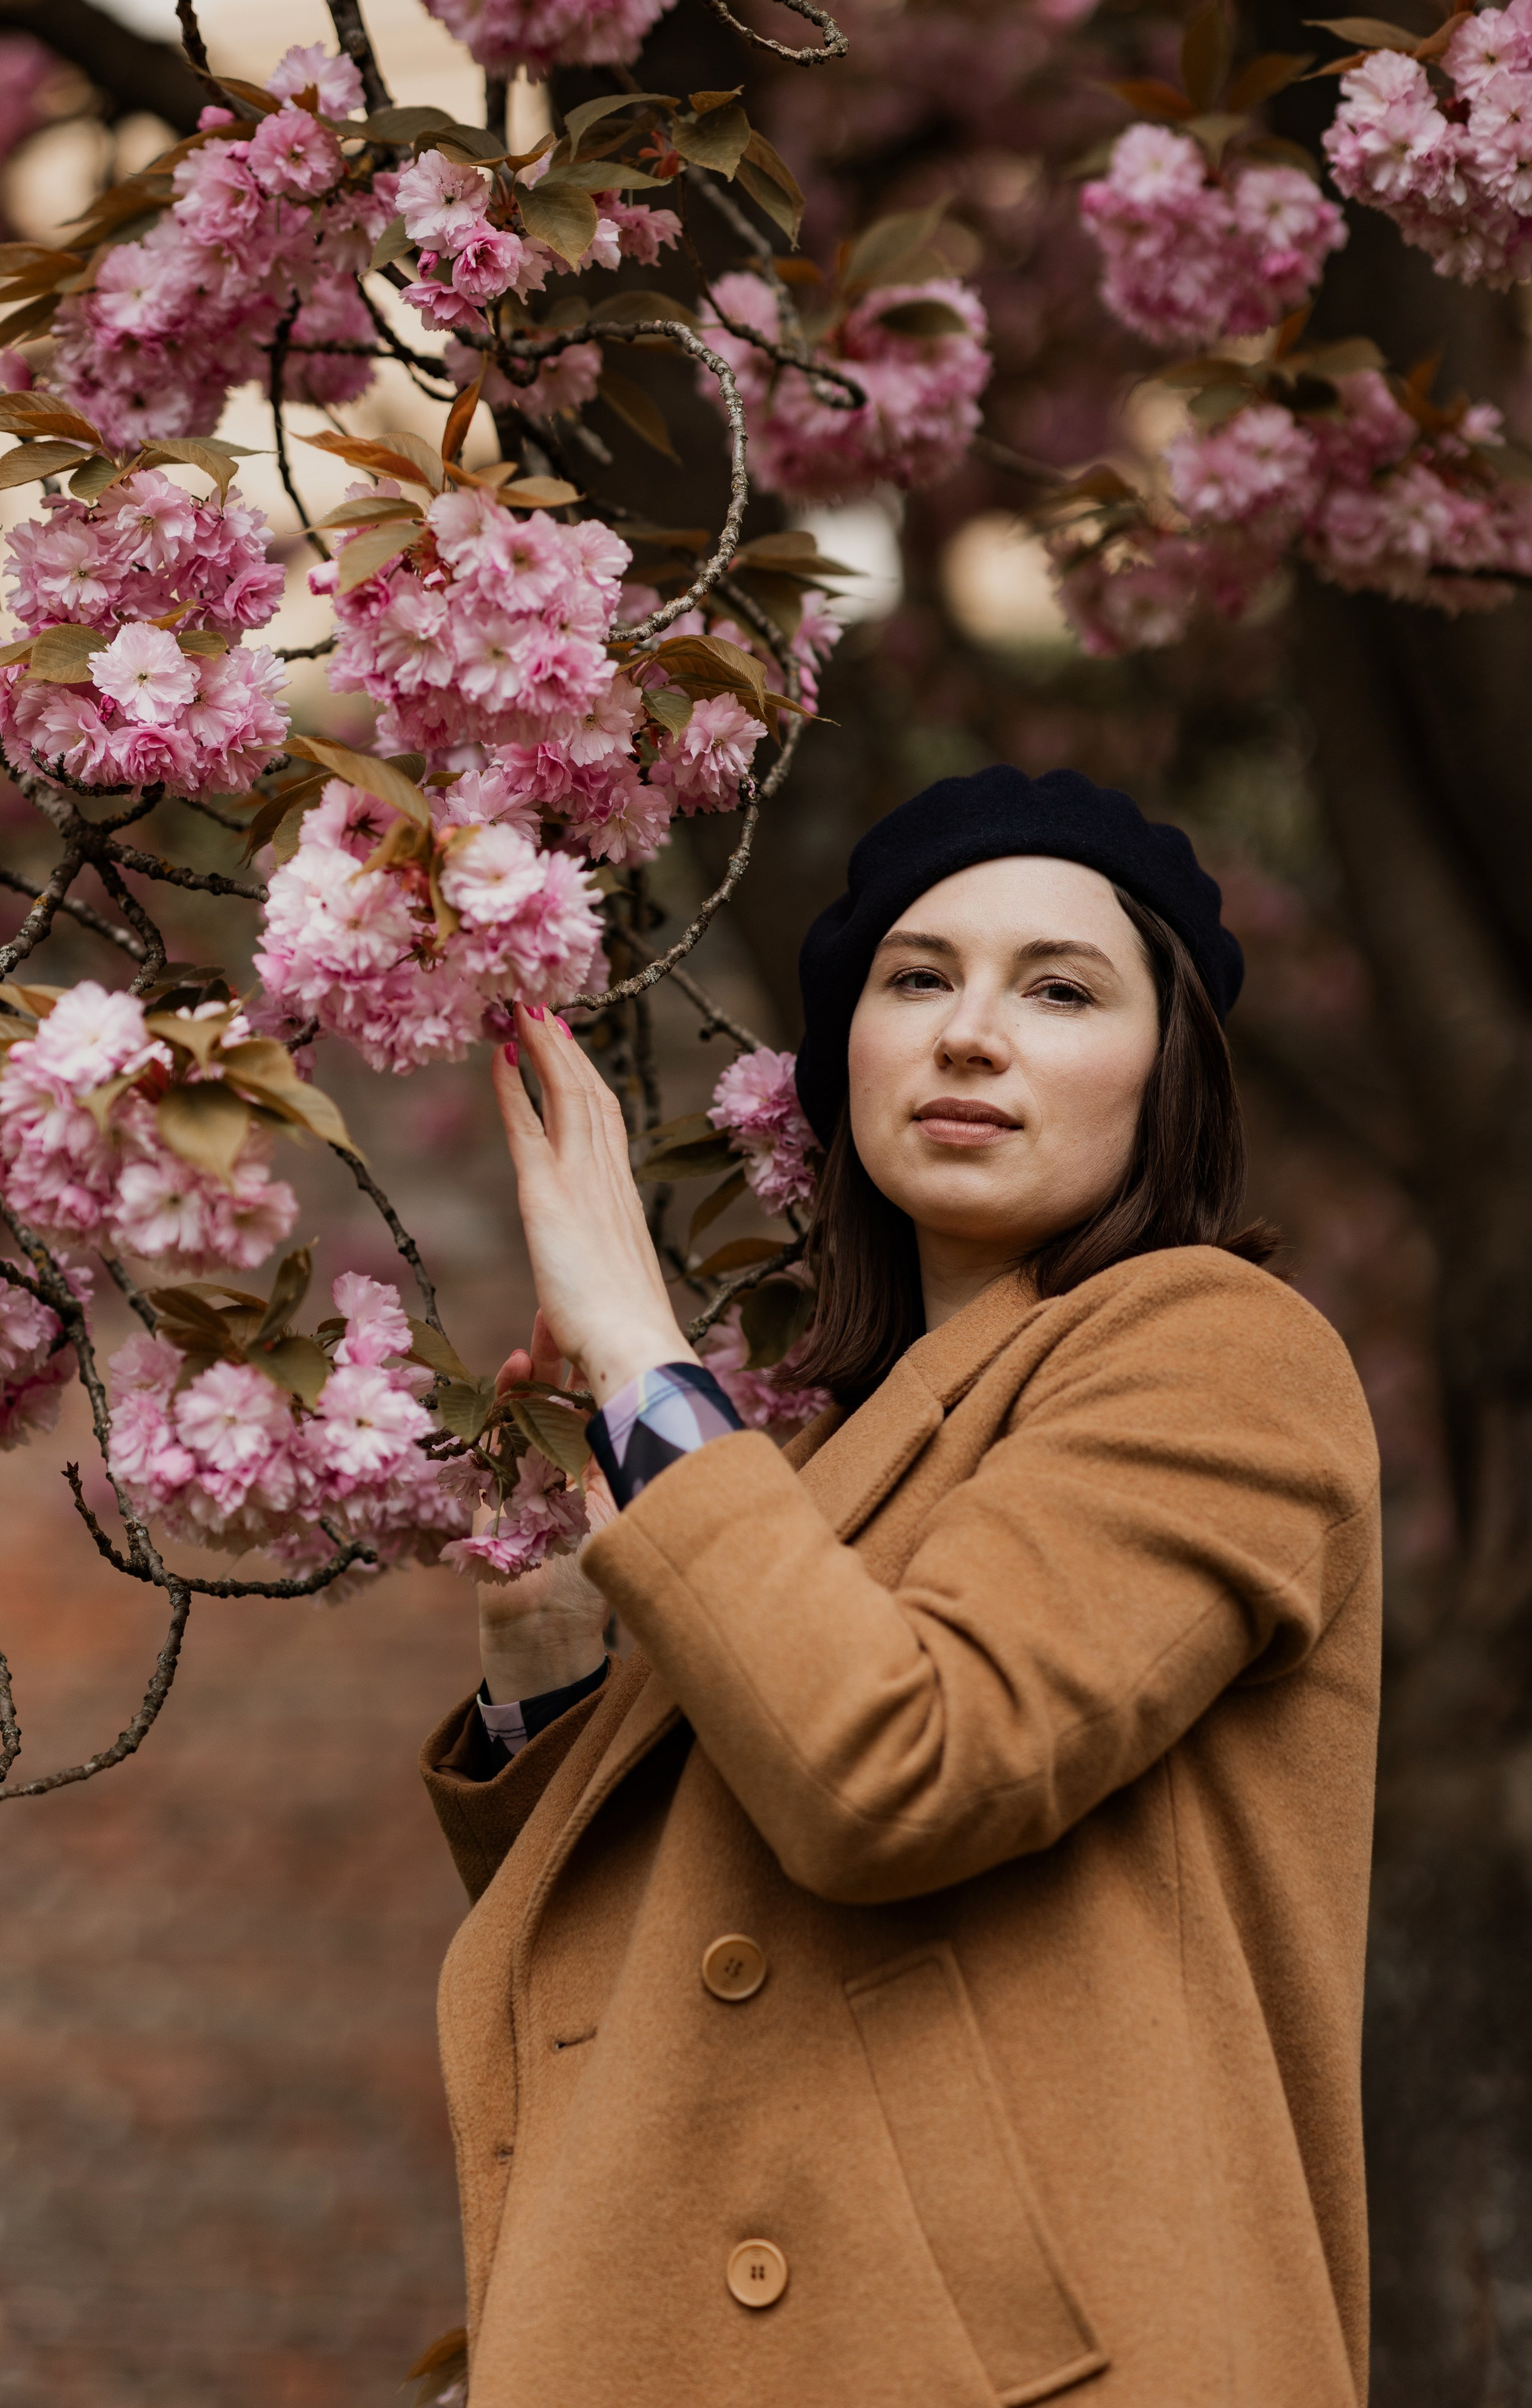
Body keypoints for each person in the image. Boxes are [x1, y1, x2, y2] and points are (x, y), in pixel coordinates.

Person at [419, 764, 1381, 2408]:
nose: (967, 1033)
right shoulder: (800, 1479)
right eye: (916, 977)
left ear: (1170, 1080)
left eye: (1061, 988)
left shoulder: (1219, 1349)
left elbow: (900, 1767)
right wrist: (557, 1667)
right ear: (846, 1057)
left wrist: (645, 1347)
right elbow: (656, 1956)